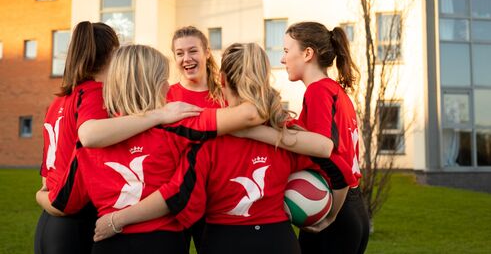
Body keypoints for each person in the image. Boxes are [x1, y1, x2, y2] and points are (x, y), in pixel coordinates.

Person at [90, 43, 335, 254]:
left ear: (222, 80)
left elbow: (186, 197)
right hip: (278, 239)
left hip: (222, 239)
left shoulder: (204, 136)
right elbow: (333, 166)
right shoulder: (285, 129)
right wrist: (330, 212)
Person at [35, 44, 275, 254]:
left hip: (108, 243)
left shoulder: (92, 140)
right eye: (164, 80)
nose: (168, 87)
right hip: (163, 241)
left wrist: (39, 195)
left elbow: (64, 205)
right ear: (155, 84)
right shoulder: (180, 121)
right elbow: (251, 114)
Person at [281, 22, 370, 254]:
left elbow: (326, 151)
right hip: (353, 207)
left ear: (308, 53)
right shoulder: (335, 91)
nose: (283, 60)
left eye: (287, 51)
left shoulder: (318, 91)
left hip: (333, 209)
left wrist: (330, 216)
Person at [35, 22, 120, 254]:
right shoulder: (94, 94)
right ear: (113, 53)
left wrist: (44, 198)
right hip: (74, 219)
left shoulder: (58, 101)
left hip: (48, 223)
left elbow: (46, 178)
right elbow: (90, 139)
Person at [167, 26, 224, 252]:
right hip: (175, 199)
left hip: (215, 202)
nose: (186, 59)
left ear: (207, 52)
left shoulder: (224, 95)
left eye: (193, 51)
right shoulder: (165, 96)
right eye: (180, 53)